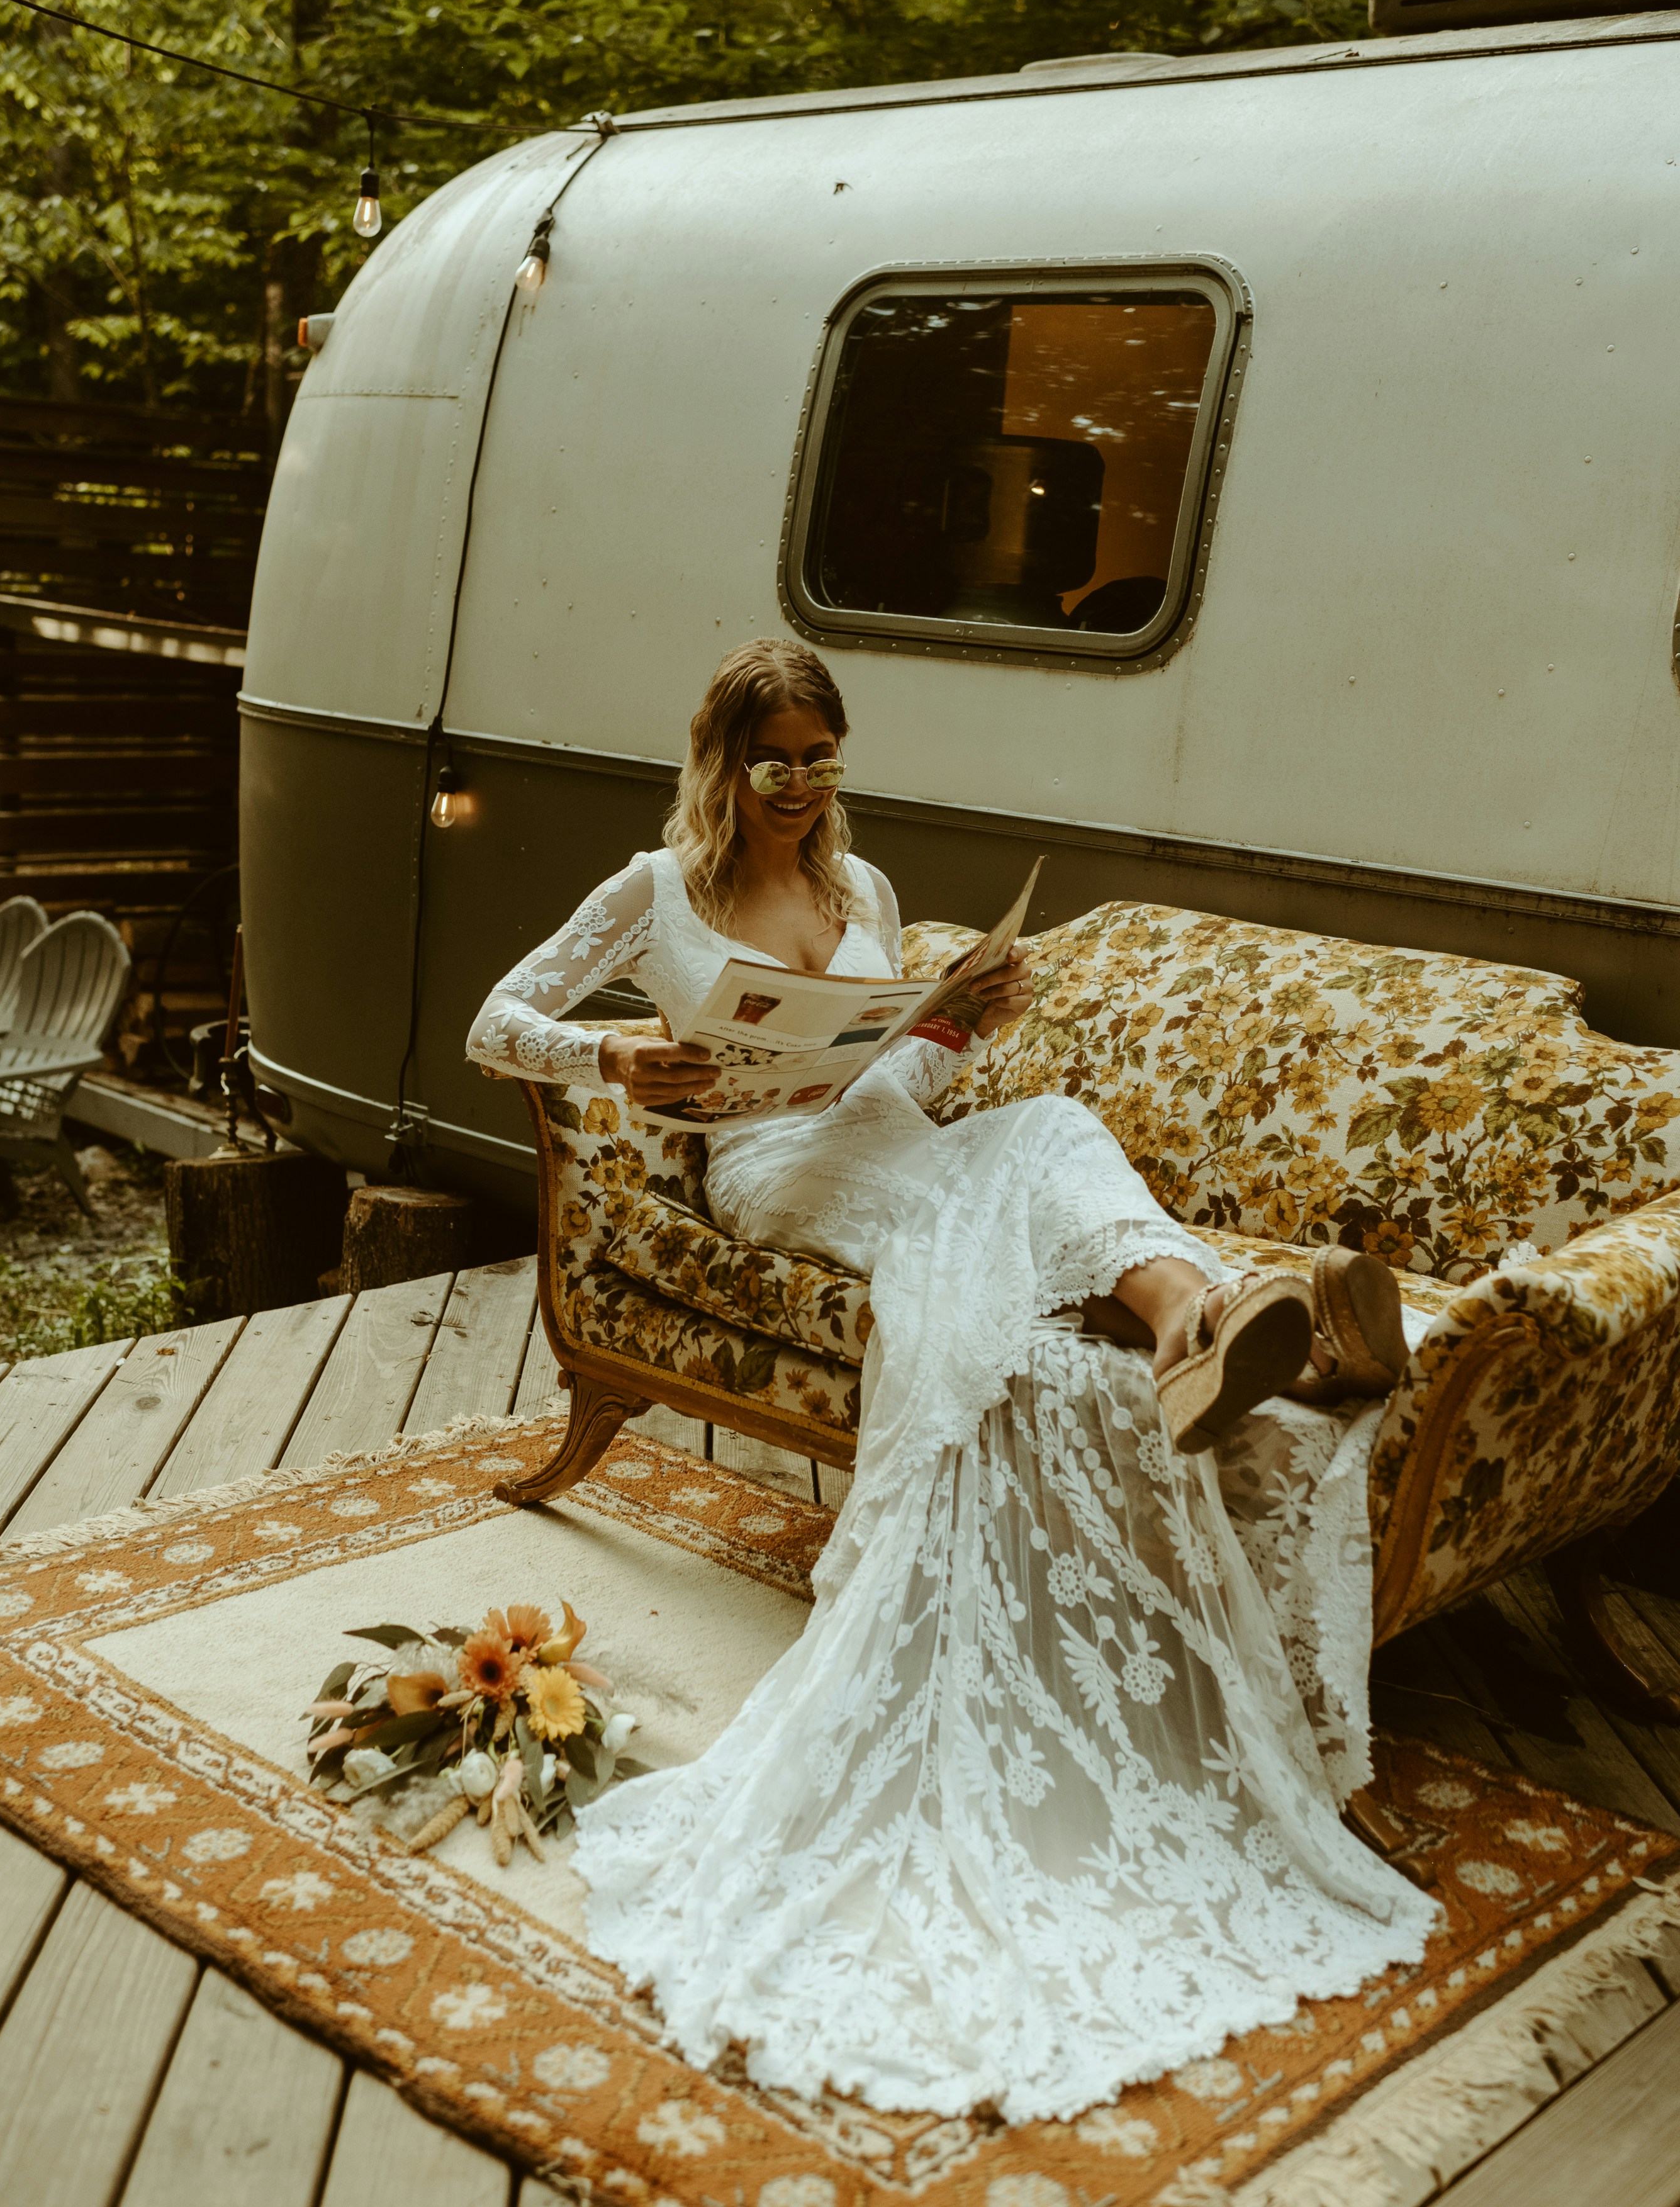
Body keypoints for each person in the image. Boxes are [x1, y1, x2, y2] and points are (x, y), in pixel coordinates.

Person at [466, 637, 1436, 2123]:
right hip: (778, 1174)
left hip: (892, 1144)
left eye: (818, 756)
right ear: (720, 762)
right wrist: (616, 1063)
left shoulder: (865, 896)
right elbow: (496, 1022)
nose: (795, 785)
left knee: (1038, 1144)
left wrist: (949, 1025)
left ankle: (1201, 1332)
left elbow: (890, 1085)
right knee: (1032, 1164)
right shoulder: (653, 889)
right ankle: (1221, 1317)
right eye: (768, 759)